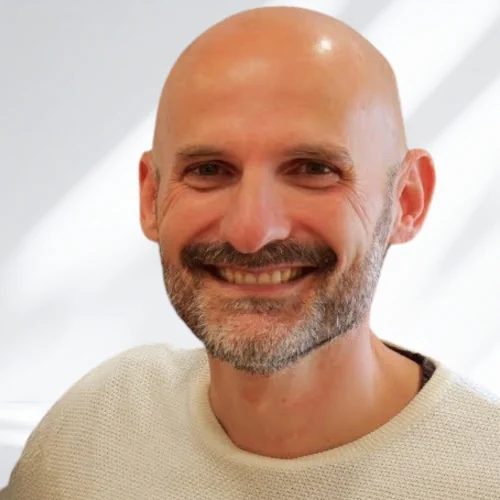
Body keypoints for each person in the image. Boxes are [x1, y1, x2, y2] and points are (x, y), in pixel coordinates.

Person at [1, 6, 499, 500]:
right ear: (151, 198)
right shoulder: (92, 431)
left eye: (313, 169)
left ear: (407, 201)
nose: (250, 232)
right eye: (209, 170)